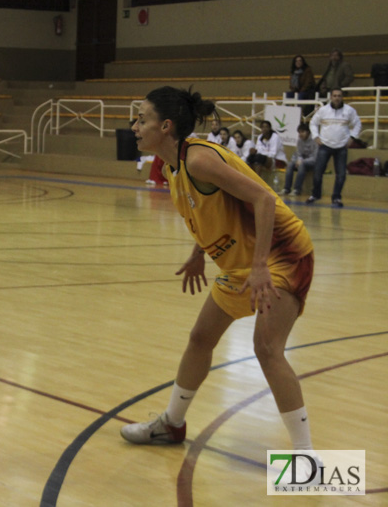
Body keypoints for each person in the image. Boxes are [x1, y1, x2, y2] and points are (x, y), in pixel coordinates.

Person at [121, 86, 316, 463]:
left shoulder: (197, 161)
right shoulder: (173, 166)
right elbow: (211, 212)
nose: (134, 126)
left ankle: (306, 456)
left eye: (141, 119)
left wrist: (260, 266)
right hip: (244, 262)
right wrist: (199, 253)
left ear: (165, 126)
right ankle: (171, 424)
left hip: (283, 254)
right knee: (200, 339)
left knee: (267, 349)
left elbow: (263, 199)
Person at [306, 88, 361, 207]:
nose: (337, 98)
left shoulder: (349, 111)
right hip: (325, 145)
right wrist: (316, 137)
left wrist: (352, 138)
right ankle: (315, 194)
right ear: (331, 97)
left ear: (342, 97)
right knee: (318, 172)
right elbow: (313, 123)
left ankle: (336, 197)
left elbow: (357, 124)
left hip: (342, 147)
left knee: (341, 174)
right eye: (335, 95)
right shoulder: (323, 110)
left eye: (339, 96)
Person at [281, 123, 318, 196]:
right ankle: (286, 188)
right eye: (299, 132)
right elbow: (298, 153)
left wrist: (302, 161)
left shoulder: (315, 140)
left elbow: (315, 157)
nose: (300, 134)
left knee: (302, 165)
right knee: (290, 164)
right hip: (302, 161)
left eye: (302, 132)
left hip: (313, 163)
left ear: (308, 132)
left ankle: (297, 189)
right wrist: (299, 159)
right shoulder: (300, 141)